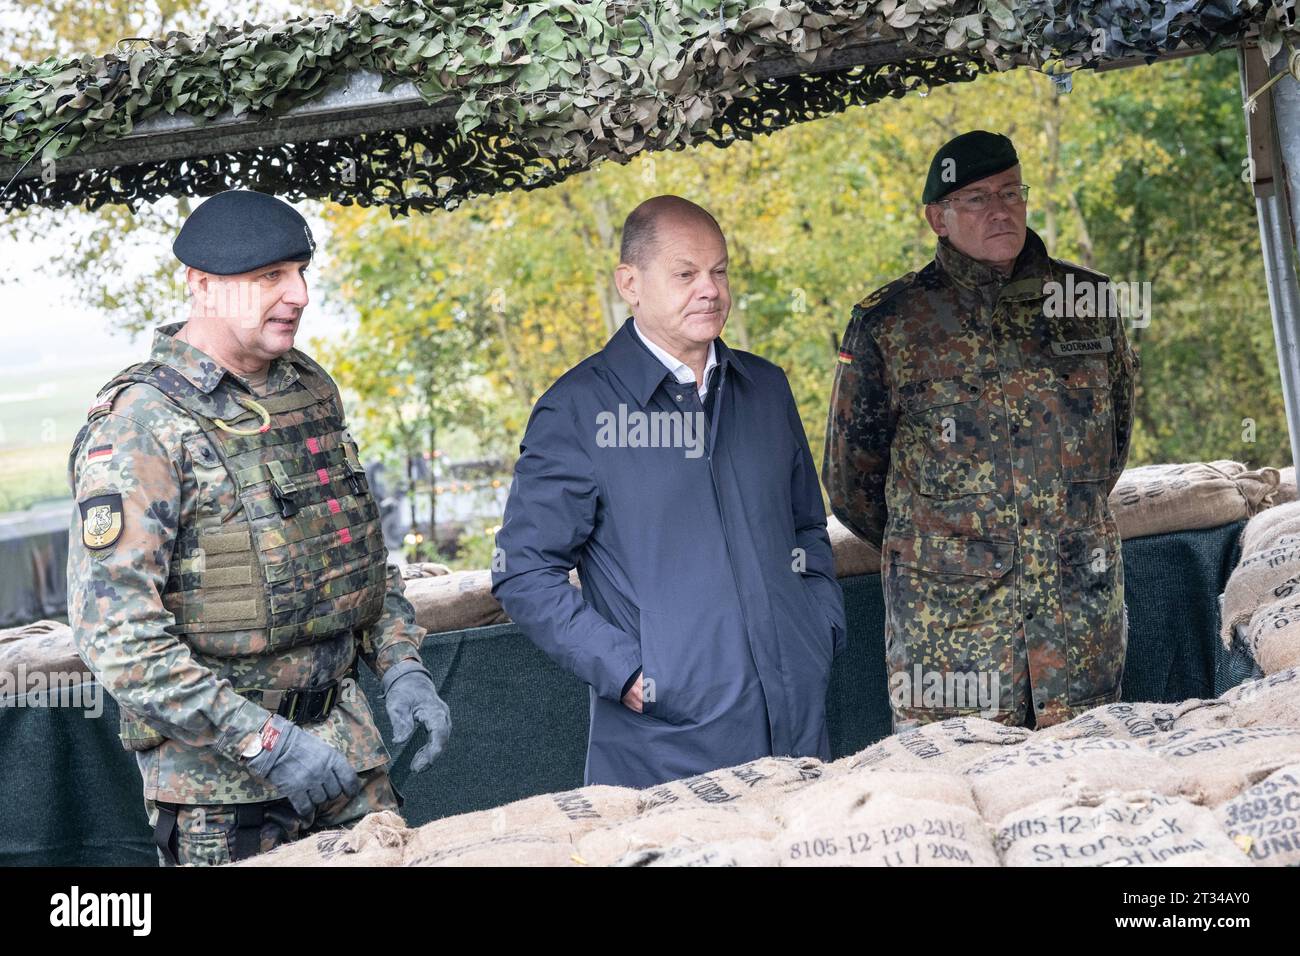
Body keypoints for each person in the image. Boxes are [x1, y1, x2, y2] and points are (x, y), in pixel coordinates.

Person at [66, 189, 451, 865]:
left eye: (301, 271)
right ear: (203, 287)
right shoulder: (141, 425)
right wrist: (262, 741)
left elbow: (352, 556)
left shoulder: (308, 388)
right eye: (270, 277)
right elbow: (118, 634)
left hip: (348, 759)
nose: (298, 294)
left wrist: (403, 667)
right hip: (224, 791)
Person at [492, 195, 846, 789]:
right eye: (685, 274)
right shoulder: (577, 410)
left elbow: (806, 526)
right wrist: (629, 671)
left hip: (798, 724)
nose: (709, 289)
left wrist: (818, 626)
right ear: (630, 283)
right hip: (665, 745)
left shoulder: (765, 389)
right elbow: (524, 571)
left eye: (720, 271)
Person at [823, 131, 1139, 732]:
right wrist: (950, 551)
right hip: (951, 644)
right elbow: (851, 484)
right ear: (936, 218)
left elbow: (1112, 445)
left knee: (1086, 796)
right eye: (976, 199)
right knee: (951, 803)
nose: (1000, 209)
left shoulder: (1089, 301)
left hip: (1076, 629)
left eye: (1011, 191)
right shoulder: (891, 323)